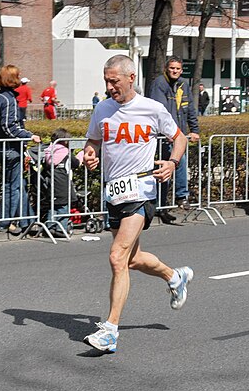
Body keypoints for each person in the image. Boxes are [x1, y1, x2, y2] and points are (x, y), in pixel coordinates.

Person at [82, 54, 193, 353]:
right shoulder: (102, 109)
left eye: (114, 81)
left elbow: (179, 138)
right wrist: (90, 155)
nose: (109, 87)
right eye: (106, 81)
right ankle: (175, 276)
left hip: (141, 190)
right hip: (114, 193)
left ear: (131, 78)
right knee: (132, 259)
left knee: (117, 258)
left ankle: (110, 331)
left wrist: (172, 162)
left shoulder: (152, 108)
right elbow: (92, 141)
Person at [0, 65, 41, 235]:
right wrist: (29, 135)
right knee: (14, 187)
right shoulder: (8, 99)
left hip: (1, 148)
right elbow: (9, 126)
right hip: (11, 148)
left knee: (16, 185)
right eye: (18, 76)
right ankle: (6, 222)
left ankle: (28, 220)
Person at [148, 55, 200, 224]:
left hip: (177, 135)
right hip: (164, 136)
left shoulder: (183, 84)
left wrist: (195, 130)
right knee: (174, 165)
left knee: (168, 171)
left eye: (178, 68)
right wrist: (171, 133)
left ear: (181, 70)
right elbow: (161, 112)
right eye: (172, 68)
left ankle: (162, 207)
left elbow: (190, 109)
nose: (175, 71)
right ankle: (180, 197)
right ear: (166, 68)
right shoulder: (159, 84)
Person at [42, 128, 83, 238]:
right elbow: (76, 163)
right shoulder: (65, 153)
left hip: (51, 184)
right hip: (63, 184)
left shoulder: (49, 152)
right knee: (64, 207)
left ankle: (49, 228)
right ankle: (61, 229)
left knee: (53, 207)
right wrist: (82, 154)